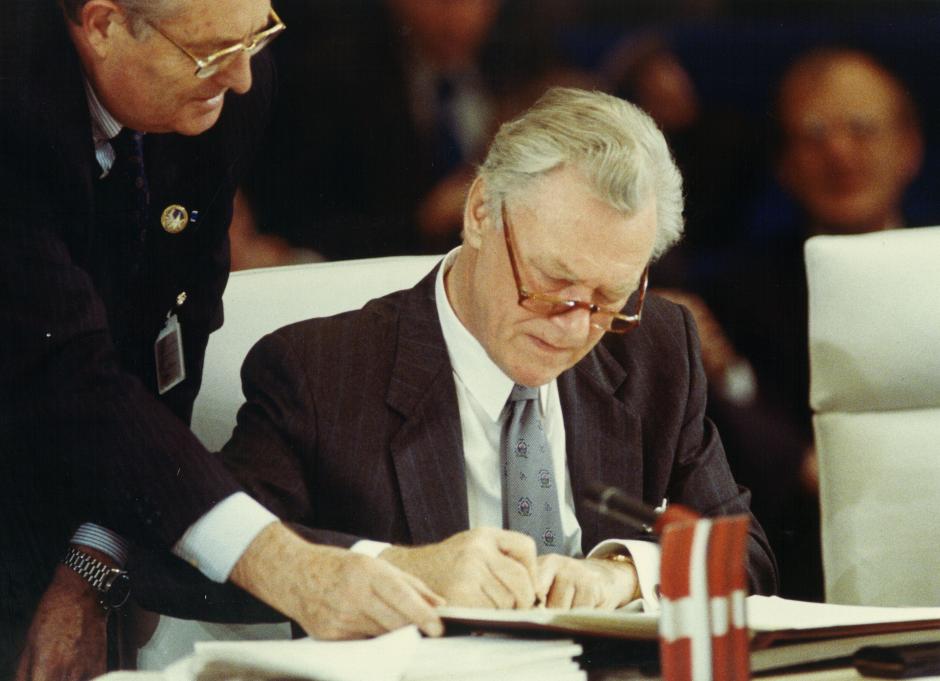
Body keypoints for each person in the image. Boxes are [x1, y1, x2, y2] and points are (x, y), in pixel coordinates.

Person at [0, 1, 442, 679]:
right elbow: (64, 370)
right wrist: (285, 566)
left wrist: (97, 551)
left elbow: (173, 331)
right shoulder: (14, 107)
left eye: (257, 33)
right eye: (211, 53)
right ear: (103, 24)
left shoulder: (225, 90)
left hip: (87, 454)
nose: (242, 77)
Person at [216, 87, 777, 608]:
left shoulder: (655, 348)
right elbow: (199, 563)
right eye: (551, 281)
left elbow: (745, 555)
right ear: (481, 212)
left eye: (610, 296)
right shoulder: (322, 371)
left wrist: (623, 575)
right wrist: (398, 568)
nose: (574, 328)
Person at [679, 47, 925, 600]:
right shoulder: (732, 297)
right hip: (801, 571)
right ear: (784, 164)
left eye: (861, 129)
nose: (839, 152)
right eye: (813, 135)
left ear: (910, 147)